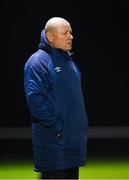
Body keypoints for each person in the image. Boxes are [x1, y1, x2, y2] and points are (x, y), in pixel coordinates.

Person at [24, 17, 88, 179]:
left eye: (71, 32)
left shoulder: (69, 61)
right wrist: (58, 129)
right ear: (50, 37)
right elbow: (36, 101)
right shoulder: (37, 62)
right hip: (54, 145)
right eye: (65, 33)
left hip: (73, 144)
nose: (70, 36)